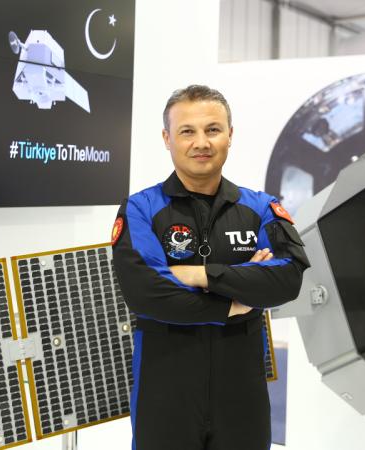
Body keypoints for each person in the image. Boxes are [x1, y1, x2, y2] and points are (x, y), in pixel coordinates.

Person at [111, 85, 310, 450]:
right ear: (167, 138)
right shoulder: (141, 208)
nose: (201, 142)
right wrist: (234, 301)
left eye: (213, 129)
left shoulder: (261, 208)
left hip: (242, 389)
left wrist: (202, 274)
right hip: (165, 387)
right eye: (187, 131)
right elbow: (146, 292)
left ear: (229, 135)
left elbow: (287, 278)